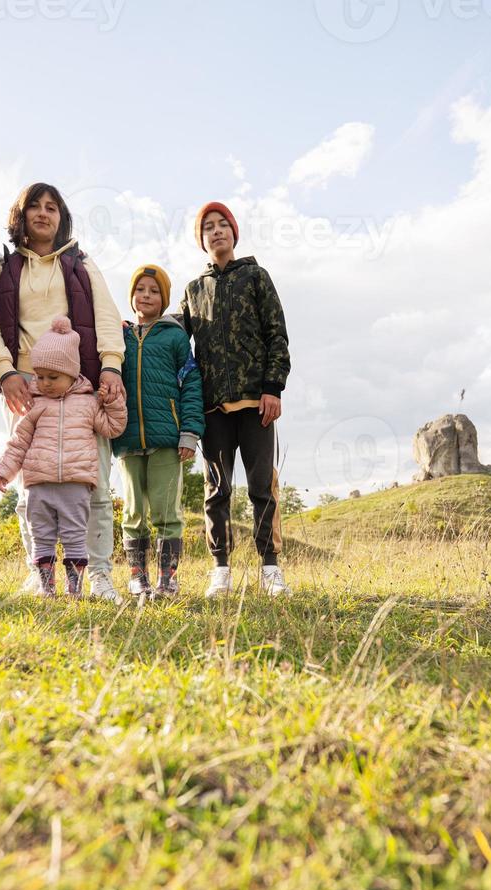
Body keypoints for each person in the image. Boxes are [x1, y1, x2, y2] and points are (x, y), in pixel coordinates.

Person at [0, 183, 128, 603]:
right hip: (24, 385)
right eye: (34, 207)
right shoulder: (0, 269)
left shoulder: (81, 263)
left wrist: (111, 365)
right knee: (31, 486)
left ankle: (98, 574)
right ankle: (37, 574)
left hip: (81, 385)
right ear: (19, 216)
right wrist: (5, 373)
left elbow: (107, 316)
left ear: (62, 218)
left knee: (92, 480)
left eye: (52, 207)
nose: (44, 214)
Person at [179, 202, 293, 598]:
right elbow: (176, 334)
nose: (216, 231)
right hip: (214, 409)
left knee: (263, 486)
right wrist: (139, 325)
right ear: (202, 240)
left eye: (222, 224)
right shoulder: (194, 290)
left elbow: (276, 333)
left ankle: (271, 568)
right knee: (217, 490)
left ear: (234, 231)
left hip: (256, 403)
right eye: (208, 227)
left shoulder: (256, 277)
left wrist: (273, 387)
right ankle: (221, 569)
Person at [0, 317, 127, 598]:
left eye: (53, 377)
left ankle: (75, 589)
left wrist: (112, 401)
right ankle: (46, 586)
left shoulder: (89, 403)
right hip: (39, 486)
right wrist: (5, 471)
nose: (45, 383)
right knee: (42, 538)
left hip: (76, 486)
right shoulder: (35, 406)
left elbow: (113, 427)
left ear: (72, 374)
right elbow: (19, 442)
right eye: (40, 376)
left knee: (75, 538)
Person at [112, 263, 204, 598]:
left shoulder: (176, 337)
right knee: (134, 512)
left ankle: (168, 579)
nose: (146, 296)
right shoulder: (119, 335)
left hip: (167, 439)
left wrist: (190, 433)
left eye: (154, 291)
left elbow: (191, 384)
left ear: (163, 299)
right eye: (140, 290)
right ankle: (138, 577)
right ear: (132, 295)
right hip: (128, 438)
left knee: (167, 511)